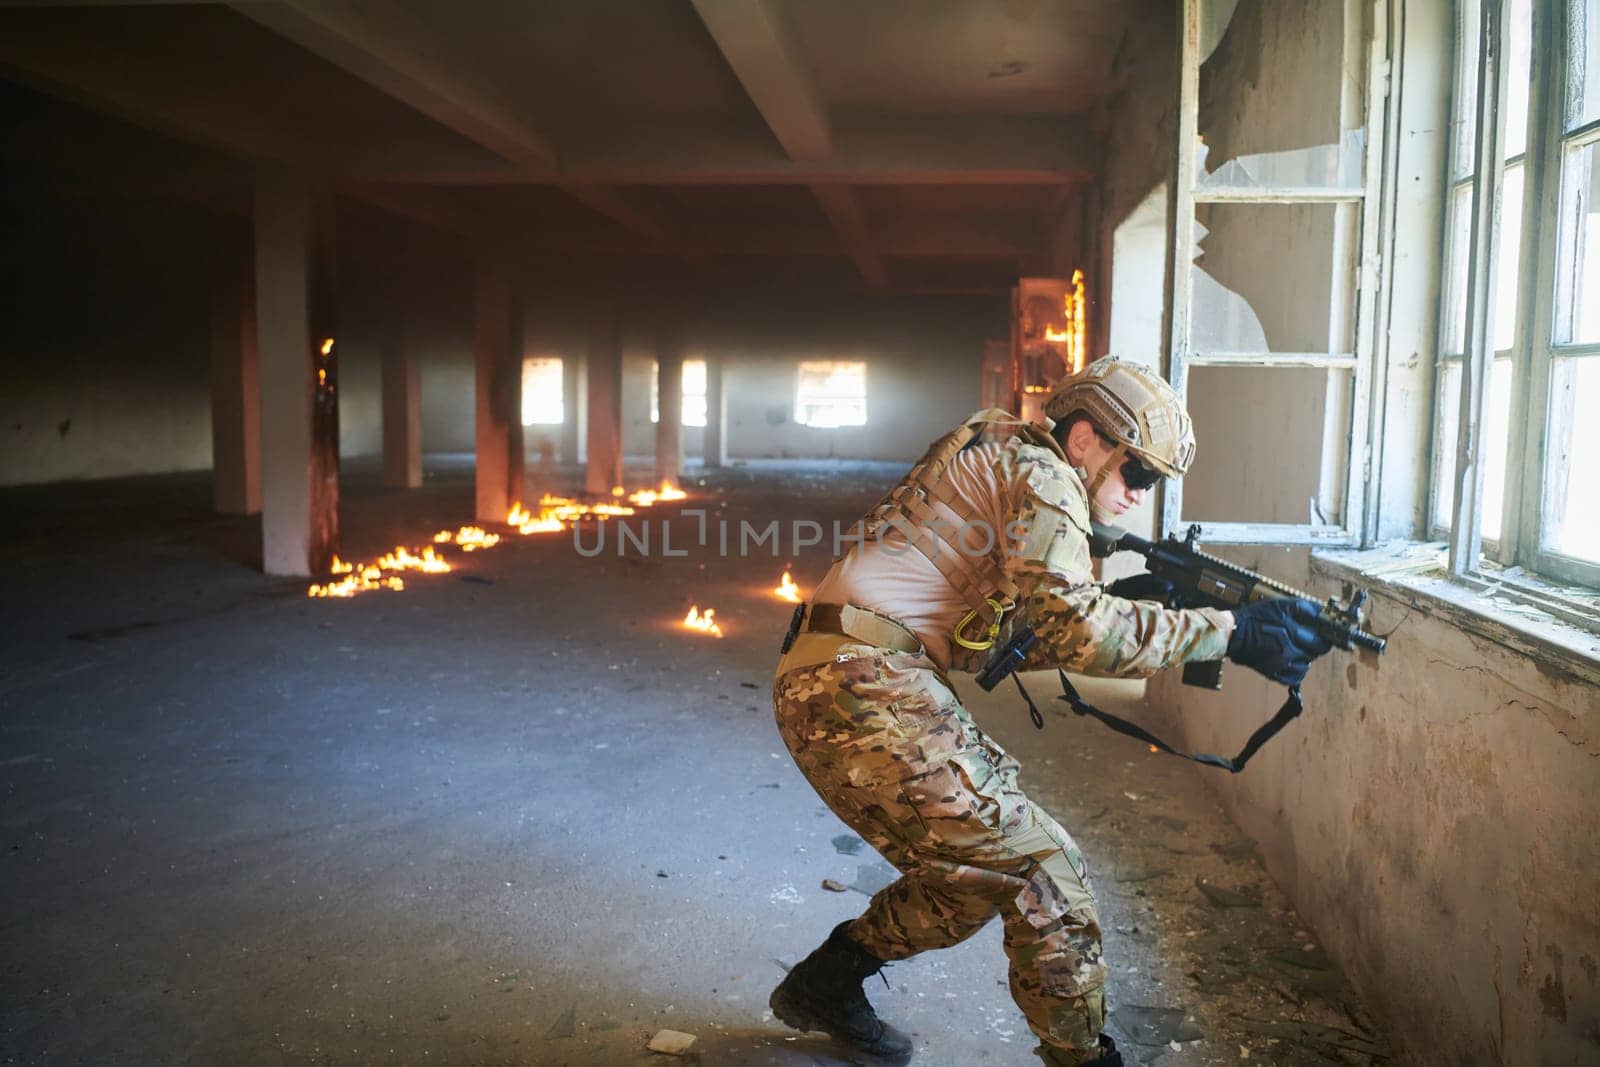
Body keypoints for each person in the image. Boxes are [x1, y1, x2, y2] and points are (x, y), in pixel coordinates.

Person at [768, 357, 1333, 1064]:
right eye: (1139, 474)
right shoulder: (1043, 476)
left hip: (841, 676)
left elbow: (990, 645)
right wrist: (1229, 631)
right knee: (1042, 865)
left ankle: (826, 983)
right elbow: (1079, 631)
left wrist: (1159, 610)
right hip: (861, 681)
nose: (1139, 494)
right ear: (1088, 438)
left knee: (973, 879)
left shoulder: (1005, 456)